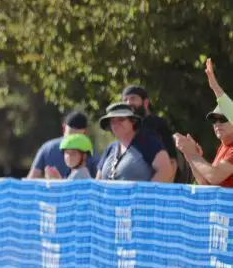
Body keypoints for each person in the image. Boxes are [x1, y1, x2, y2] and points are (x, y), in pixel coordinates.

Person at [174, 58, 233, 188]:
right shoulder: (224, 147)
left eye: (223, 119)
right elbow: (206, 184)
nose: (217, 123)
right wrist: (189, 155)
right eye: (213, 119)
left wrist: (215, 87)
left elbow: (214, 176)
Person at [95, 103, 175, 182]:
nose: (116, 124)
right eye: (112, 121)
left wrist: (146, 193)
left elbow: (165, 171)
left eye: (121, 119)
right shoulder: (110, 148)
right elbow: (98, 180)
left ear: (132, 121)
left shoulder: (148, 142)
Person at [121, 84, 185, 183]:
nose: (128, 102)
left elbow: (172, 162)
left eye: (133, 98)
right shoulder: (125, 129)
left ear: (145, 103)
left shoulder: (156, 124)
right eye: (125, 100)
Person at [27, 111, 99, 179]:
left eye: (74, 152)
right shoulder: (90, 150)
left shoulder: (47, 148)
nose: (68, 157)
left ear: (84, 156)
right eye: (67, 152)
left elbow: (31, 179)